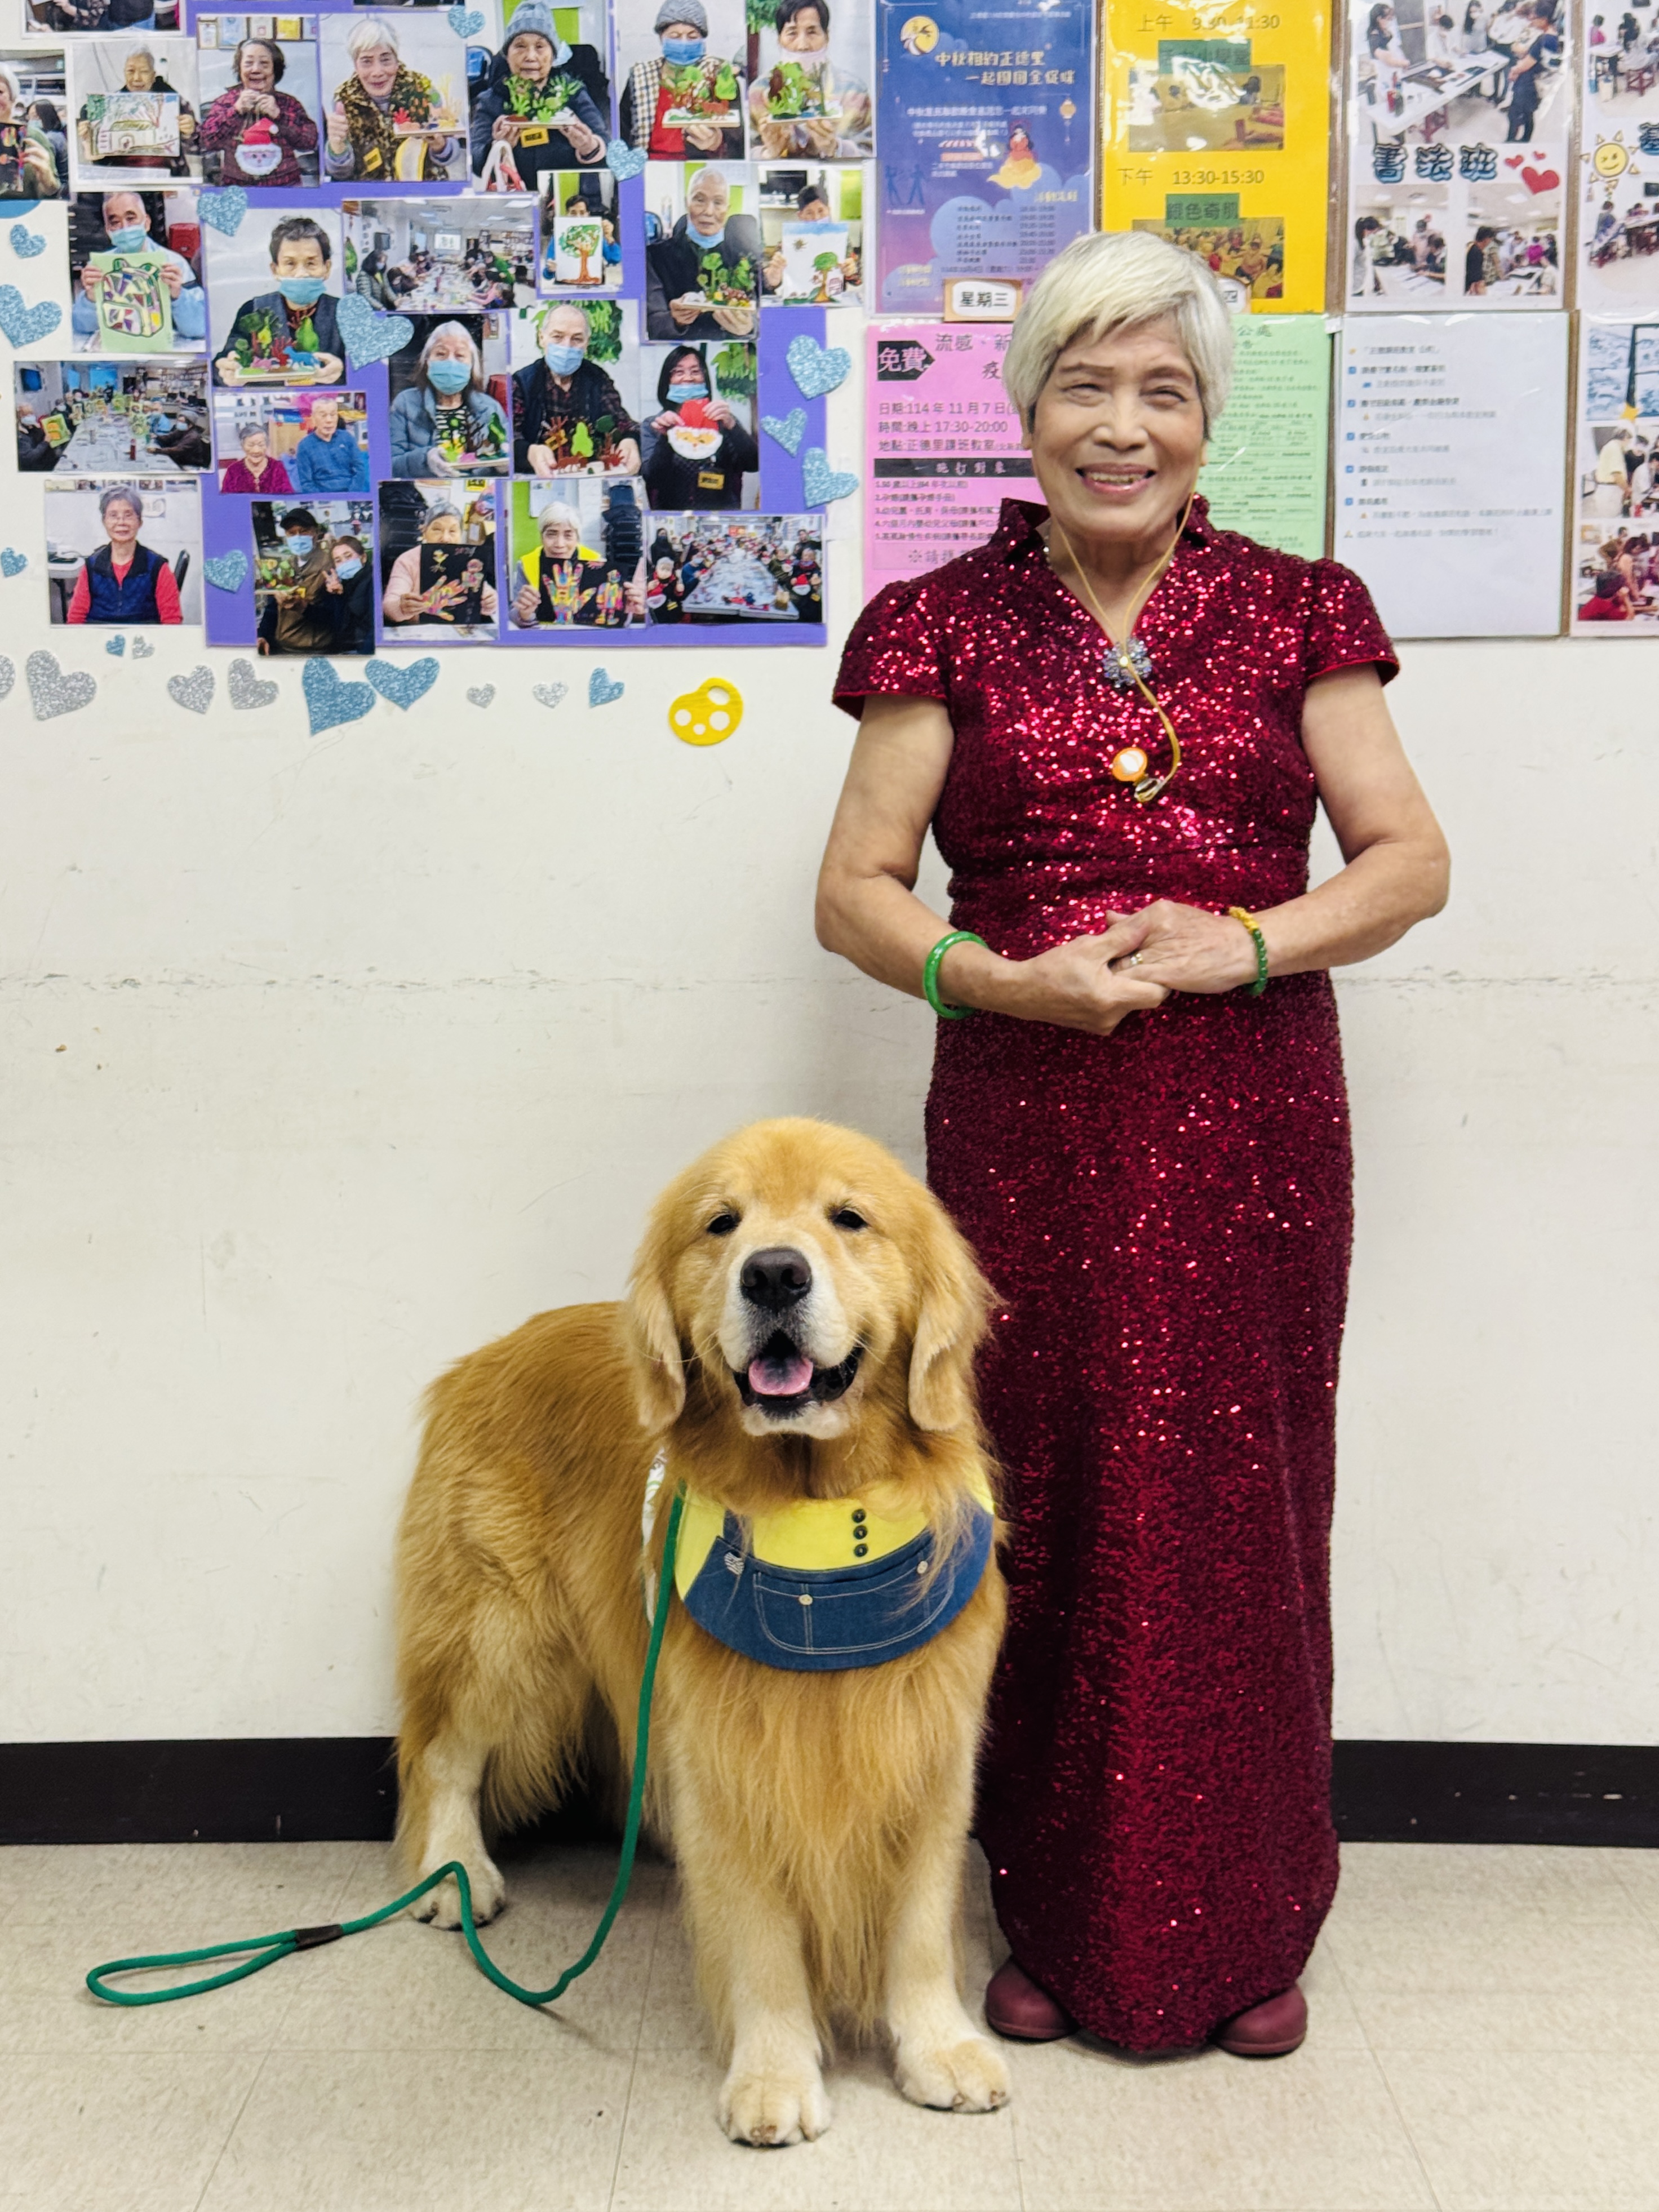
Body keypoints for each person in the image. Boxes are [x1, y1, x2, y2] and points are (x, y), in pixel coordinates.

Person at [816, 229, 1449, 2060]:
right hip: (1024, 1122)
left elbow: (1409, 860)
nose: (1122, 425)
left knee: (1242, 1496)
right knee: (1047, 1492)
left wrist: (1245, 941)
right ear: (1026, 406)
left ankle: (1249, 1919)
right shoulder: (933, 620)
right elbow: (854, 890)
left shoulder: (1304, 606)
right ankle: (1064, 1912)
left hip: (1253, 1121)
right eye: (1085, 384)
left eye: (1162, 390)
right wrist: (998, 980)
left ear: (1206, 420)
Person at [468, 1, 606, 191]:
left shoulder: (573, 94)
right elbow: (475, 159)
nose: (530, 56)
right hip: (515, 201)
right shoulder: (492, 100)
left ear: (553, 55)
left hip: (568, 199)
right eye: (520, 46)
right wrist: (497, 147)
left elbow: (607, 148)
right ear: (507, 55)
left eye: (540, 46)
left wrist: (589, 146)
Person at [325, 16, 459, 185]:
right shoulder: (343, 100)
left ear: (396, 60)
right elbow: (341, 174)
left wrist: (440, 146)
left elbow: (452, 155)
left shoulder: (422, 89)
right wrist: (337, 147)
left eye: (386, 60)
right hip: (373, 194)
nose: (378, 72)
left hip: (421, 191)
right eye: (367, 62)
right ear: (356, 65)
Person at [511, 301, 640, 476]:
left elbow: (623, 422)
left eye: (577, 339)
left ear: (586, 344)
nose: (567, 346)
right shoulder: (522, 382)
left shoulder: (597, 378)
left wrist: (630, 440)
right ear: (542, 338)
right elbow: (510, 437)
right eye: (558, 337)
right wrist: (529, 452)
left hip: (589, 475)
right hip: (538, 476)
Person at [212, 214, 343, 387]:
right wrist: (226, 372)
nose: (301, 274)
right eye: (290, 264)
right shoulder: (253, 310)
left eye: (311, 264)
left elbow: (371, 370)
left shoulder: (345, 313)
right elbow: (223, 363)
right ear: (275, 270)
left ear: (327, 268)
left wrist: (344, 371)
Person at [645, 164, 761, 341]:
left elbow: (761, 316)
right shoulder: (656, 256)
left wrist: (749, 328)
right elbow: (652, 324)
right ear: (687, 203)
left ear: (728, 208)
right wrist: (674, 321)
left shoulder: (745, 256)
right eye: (699, 200)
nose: (708, 211)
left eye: (718, 203)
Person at [73, 190, 207, 344]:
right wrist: (90, 298)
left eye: (131, 219)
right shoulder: (98, 268)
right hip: (119, 349)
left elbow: (199, 328)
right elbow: (81, 328)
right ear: (108, 230)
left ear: (147, 222)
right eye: (115, 222)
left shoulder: (173, 264)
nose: (125, 227)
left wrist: (178, 296)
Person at [747, 0, 872, 158]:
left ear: (827, 37)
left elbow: (872, 155)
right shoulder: (759, 92)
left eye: (812, 32)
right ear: (779, 39)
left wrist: (836, 148)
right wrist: (768, 153)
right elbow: (742, 156)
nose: (803, 45)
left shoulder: (853, 92)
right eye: (792, 33)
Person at [620, 1, 744, 159]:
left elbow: (738, 140)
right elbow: (623, 133)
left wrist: (715, 142)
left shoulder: (719, 73)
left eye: (692, 37)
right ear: (661, 38)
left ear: (702, 39)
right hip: (649, 166)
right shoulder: (640, 76)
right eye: (675, 37)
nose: (684, 43)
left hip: (700, 165)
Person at [641, 343, 757, 509]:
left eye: (695, 372)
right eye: (679, 372)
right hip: (673, 514)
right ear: (667, 381)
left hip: (720, 513)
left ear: (705, 378)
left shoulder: (722, 419)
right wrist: (665, 438)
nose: (688, 378)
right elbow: (653, 479)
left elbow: (754, 464)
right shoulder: (653, 425)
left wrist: (733, 426)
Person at [389, 319, 509, 477]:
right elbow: (389, 465)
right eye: (441, 354)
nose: (451, 362)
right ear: (427, 362)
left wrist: (505, 466)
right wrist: (425, 460)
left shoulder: (490, 408)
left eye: (460, 356)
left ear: (472, 366)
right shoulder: (405, 403)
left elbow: (505, 459)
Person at [198, 37, 318, 188]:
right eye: (249, 63)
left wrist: (279, 115)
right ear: (239, 69)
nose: (256, 70)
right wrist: (235, 111)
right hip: (238, 191)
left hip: (286, 189)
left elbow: (310, 142)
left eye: (264, 63)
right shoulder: (225, 103)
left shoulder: (289, 104)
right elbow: (207, 142)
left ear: (275, 69)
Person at [508, 501, 641, 626]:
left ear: (577, 538)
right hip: (542, 637)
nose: (560, 544)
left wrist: (627, 610)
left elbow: (619, 623)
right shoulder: (527, 564)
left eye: (568, 535)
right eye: (551, 534)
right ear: (541, 537)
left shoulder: (597, 564)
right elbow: (513, 617)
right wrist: (524, 614)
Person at [65, 483, 182, 624]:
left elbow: (172, 622)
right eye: (113, 516)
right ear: (104, 521)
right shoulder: (91, 566)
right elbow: (76, 618)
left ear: (140, 522)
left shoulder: (158, 568)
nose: (121, 522)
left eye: (128, 515)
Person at [76, 46, 198, 180]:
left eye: (144, 72)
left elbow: (198, 146)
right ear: (124, 73)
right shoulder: (108, 106)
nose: (137, 78)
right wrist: (89, 137)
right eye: (131, 71)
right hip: (122, 181)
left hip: (168, 181)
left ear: (153, 75)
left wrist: (189, 132)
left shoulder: (174, 103)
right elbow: (97, 156)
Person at [382, 501, 498, 632]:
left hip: (458, 633)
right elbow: (389, 604)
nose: (445, 538)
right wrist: (401, 608)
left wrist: (490, 602)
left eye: (453, 531)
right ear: (424, 531)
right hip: (418, 632)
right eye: (437, 530)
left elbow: (486, 595)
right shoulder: (407, 560)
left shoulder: (469, 560)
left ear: (461, 534)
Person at [256, 504, 338, 652]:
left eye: (304, 531)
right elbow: (272, 608)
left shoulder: (330, 566)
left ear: (316, 533)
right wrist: (263, 635)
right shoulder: (286, 566)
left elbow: (336, 616)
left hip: (313, 649)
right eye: (292, 533)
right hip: (282, 646)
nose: (298, 537)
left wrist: (304, 607)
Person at [0, 65, 62, 196]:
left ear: (13, 98)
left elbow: (52, 191)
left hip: (23, 208)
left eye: (0, 92)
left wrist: (47, 179)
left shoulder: (33, 136)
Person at [292, 393, 371, 492]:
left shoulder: (347, 438)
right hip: (323, 494)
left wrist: (352, 494)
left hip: (350, 492)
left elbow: (360, 469)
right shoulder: (305, 445)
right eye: (323, 416)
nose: (329, 420)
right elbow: (306, 483)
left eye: (333, 415)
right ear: (314, 418)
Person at [1506, 2, 1559, 139]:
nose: (1531, 20)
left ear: (1544, 19)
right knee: (1528, 114)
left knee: (1514, 114)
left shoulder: (1545, 39)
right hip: (1535, 84)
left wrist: (1514, 70)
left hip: (1528, 84)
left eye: (1534, 17)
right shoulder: (1553, 36)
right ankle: (1525, 140)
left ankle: (1511, 141)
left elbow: (1526, 65)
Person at [320, 531, 374, 652]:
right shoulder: (344, 585)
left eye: (348, 557)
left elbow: (372, 627)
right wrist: (335, 596)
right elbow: (332, 622)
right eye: (338, 560)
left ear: (363, 558)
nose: (344, 563)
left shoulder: (372, 582)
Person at [219, 418, 293, 492]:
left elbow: (287, 495)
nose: (256, 451)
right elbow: (226, 497)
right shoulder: (233, 471)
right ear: (243, 446)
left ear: (267, 445)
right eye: (251, 445)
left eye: (261, 445)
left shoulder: (277, 468)